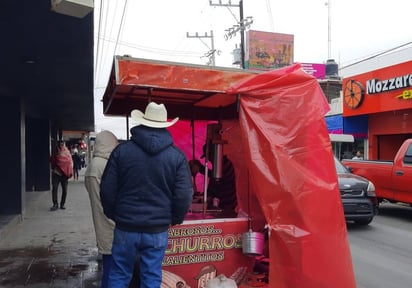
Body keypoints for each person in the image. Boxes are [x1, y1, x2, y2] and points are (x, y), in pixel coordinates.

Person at [100, 102, 193, 288]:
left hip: (125, 227)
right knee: (151, 276)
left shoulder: (121, 152)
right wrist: (174, 218)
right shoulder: (177, 157)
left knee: (119, 274)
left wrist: (115, 214)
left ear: (142, 122)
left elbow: (107, 189)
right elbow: (184, 194)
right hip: (157, 230)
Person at [84, 130, 118, 288]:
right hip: (112, 225)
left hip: (103, 225)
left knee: (110, 270)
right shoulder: (104, 165)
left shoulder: (94, 165)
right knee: (114, 272)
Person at [189, 142, 237, 217]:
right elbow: (212, 186)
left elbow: (215, 177)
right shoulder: (217, 167)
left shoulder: (225, 164)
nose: (208, 160)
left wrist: (200, 168)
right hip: (221, 206)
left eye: (209, 157)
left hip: (227, 207)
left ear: (214, 154)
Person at [49, 140, 73, 211]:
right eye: (60, 144)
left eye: (62, 144)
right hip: (57, 173)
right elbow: (52, 160)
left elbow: (70, 162)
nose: (61, 146)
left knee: (65, 190)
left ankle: (62, 204)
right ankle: (55, 204)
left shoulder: (67, 152)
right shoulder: (55, 152)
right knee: (55, 189)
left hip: (64, 174)